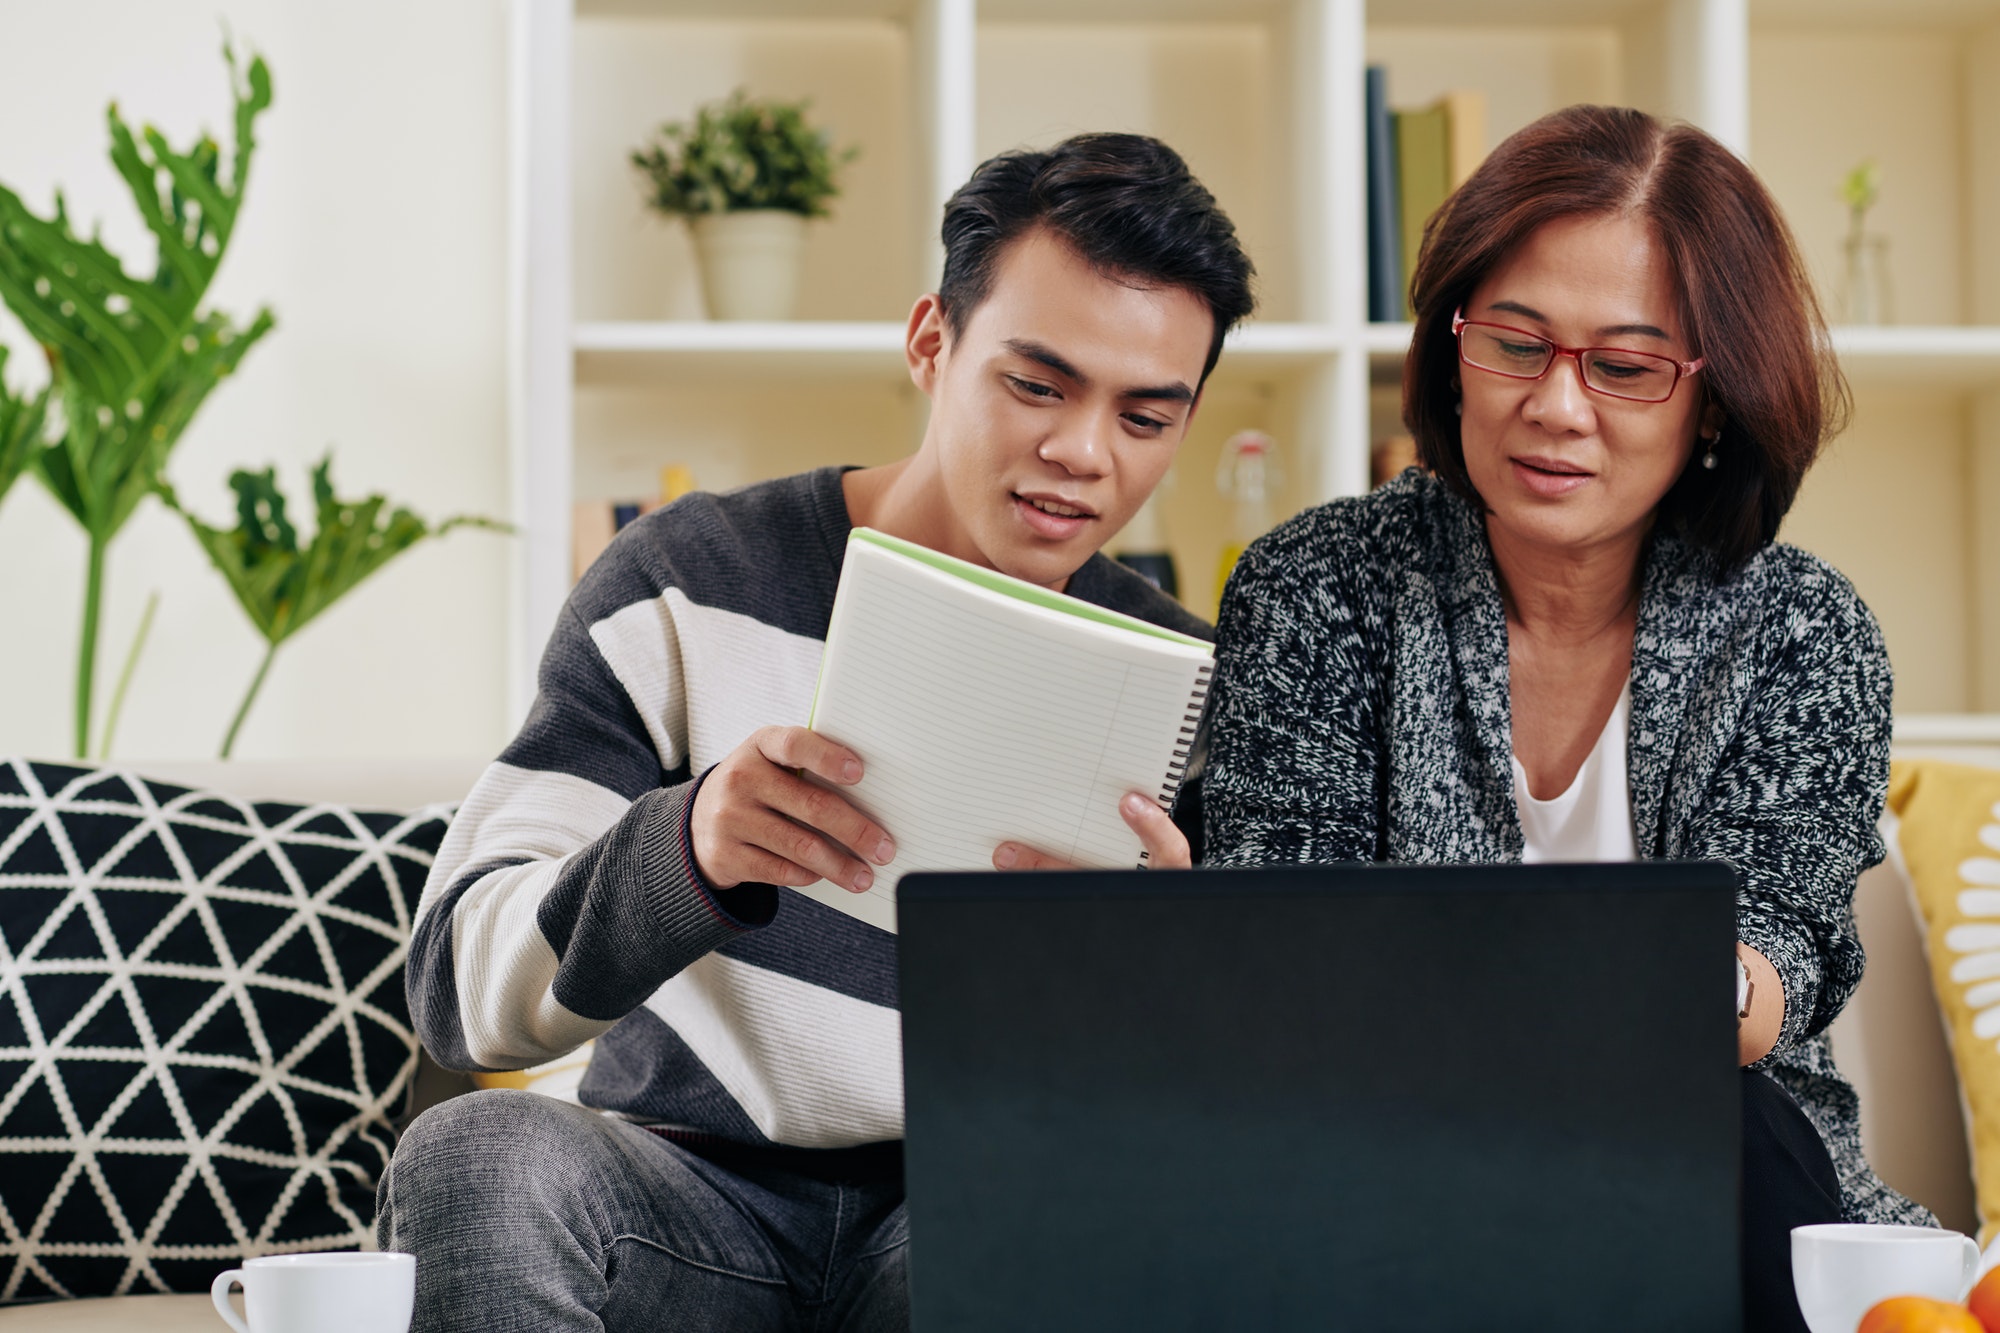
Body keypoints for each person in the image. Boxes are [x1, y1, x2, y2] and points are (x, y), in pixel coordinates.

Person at [378, 132, 1255, 1333]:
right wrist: (685, 850)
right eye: (1036, 384)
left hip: (966, 1218)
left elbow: (1228, 1130)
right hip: (678, 1199)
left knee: (1073, 1221)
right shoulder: (685, 582)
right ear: (929, 344)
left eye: (1145, 417)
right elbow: (456, 993)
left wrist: (1156, 982)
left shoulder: (1182, 688)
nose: (1082, 454)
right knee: (475, 1152)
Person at [1199, 105, 1925, 1333]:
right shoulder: (1315, 586)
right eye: (1514, 343)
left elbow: (1764, 976)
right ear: (1448, 347)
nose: (1555, 406)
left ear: (1712, 401)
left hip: (1713, 1162)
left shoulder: (1803, 629)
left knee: (1711, 1101)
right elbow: (1289, 946)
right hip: (1373, 1159)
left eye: (1626, 366)